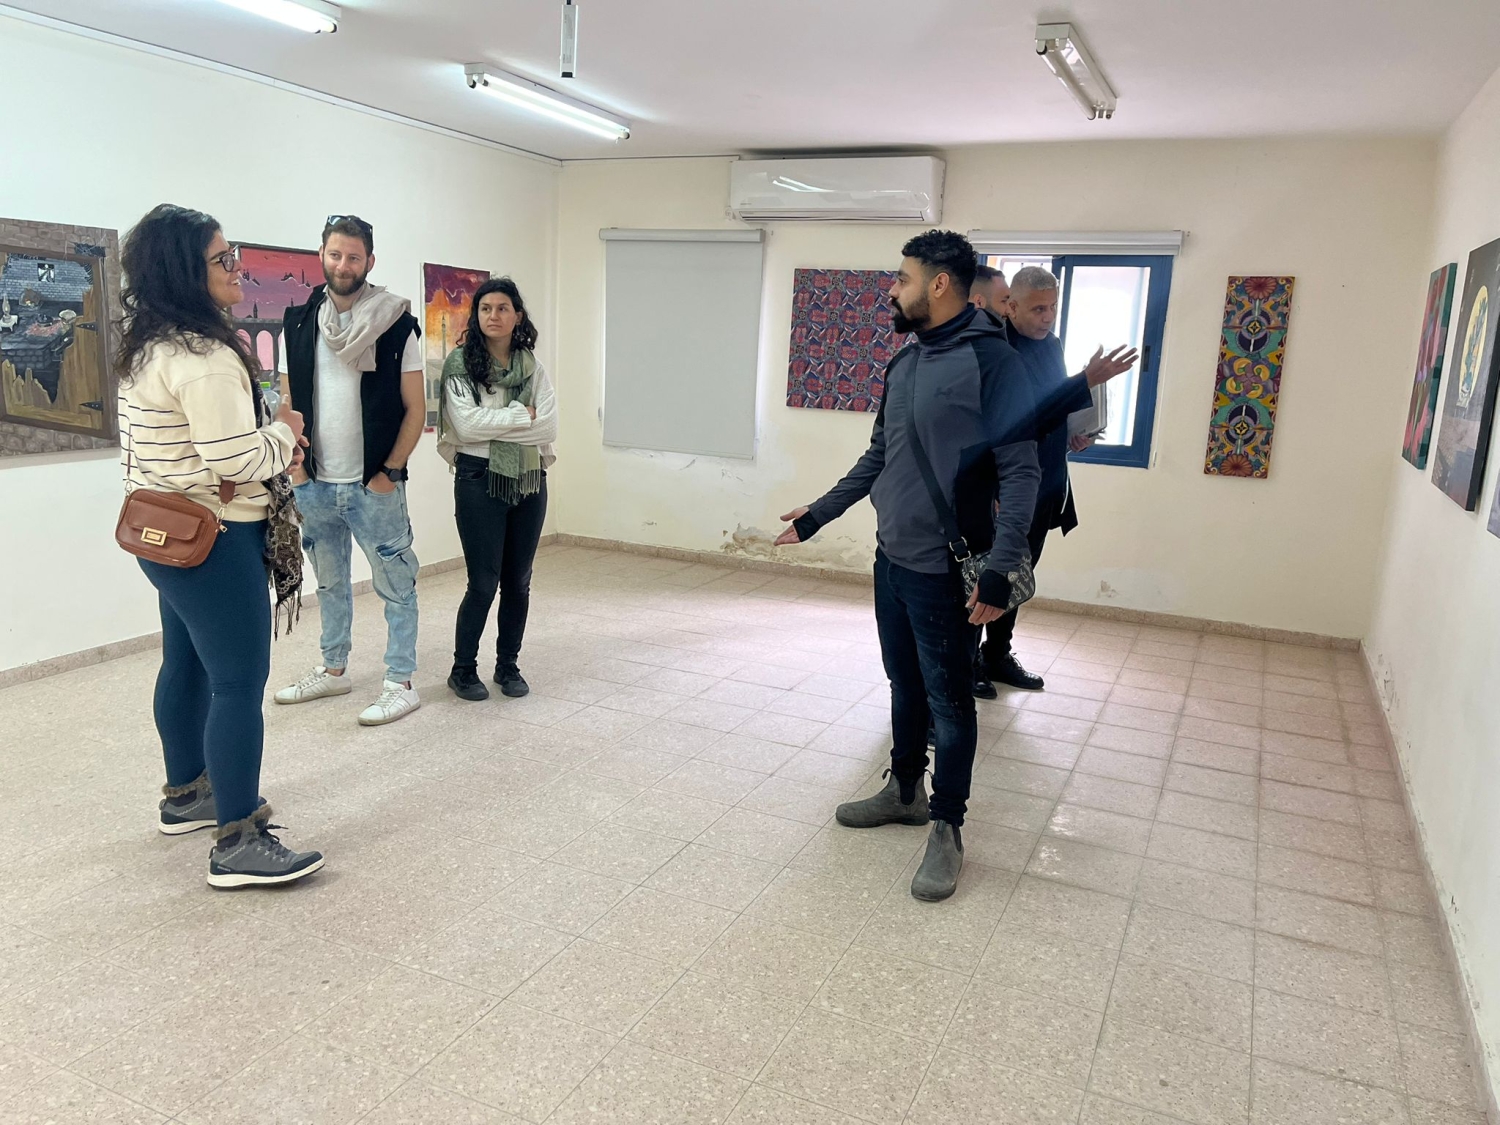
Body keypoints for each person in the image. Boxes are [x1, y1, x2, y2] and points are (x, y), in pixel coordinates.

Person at [775, 230, 1040, 902]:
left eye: (902, 278)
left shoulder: (994, 362)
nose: (893, 290)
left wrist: (1001, 568)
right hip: (891, 558)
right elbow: (880, 454)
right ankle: (903, 790)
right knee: (903, 683)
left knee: (950, 704)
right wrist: (818, 515)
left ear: (939, 284)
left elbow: (1021, 470)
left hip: (946, 569)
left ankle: (947, 826)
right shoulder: (906, 360)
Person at [117, 203, 324, 887]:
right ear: (186, 271)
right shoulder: (204, 357)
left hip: (163, 533)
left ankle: (186, 796)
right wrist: (286, 431)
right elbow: (233, 457)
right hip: (215, 538)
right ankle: (237, 840)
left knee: (186, 664)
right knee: (237, 682)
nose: (237, 268)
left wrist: (268, 438)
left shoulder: (151, 346)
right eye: (222, 259)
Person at [274, 215, 426, 725]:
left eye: (354, 257)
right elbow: (287, 404)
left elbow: (416, 408)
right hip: (314, 483)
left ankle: (400, 682)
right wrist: (297, 469)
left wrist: (390, 472)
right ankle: (334, 669)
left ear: (370, 261)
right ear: (322, 255)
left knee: (396, 584)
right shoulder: (298, 323)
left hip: (373, 485)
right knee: (330, 583)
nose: (343, 265)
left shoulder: (396, 323)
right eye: (335, 254)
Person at [980, 265, 1137, 689]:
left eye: (1052, 307)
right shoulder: (996, 348)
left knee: (1020, 573)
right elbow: (1016, 420)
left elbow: (1050, 410)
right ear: (1011, 306)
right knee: (986, 573)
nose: (1047, 317)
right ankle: (967, 661)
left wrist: (1073, 434)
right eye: (1038, 309)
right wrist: (1084, 380)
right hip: (1004, 486)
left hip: (1046, 478)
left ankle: (996, 655)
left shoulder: (1051, 345)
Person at [437, 278, 558, 701]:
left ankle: (508, 666)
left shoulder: (532, 366)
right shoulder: (460, 365)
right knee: (483, 583)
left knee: (518, 582)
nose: (494, 315)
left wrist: (500, 426)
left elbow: (549, 427)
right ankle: (463, 670)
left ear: (517, 316)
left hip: (529, 479)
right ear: (477, 315)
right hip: (477, 480)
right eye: (485, 308)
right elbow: (466, 426)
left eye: (503, 308)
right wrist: (521, 415)